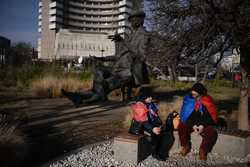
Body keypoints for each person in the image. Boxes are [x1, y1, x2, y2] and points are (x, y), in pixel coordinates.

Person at [61, 10, 150, 107]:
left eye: (133, 20)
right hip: (118, 69)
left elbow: (141, 56)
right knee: (99, 71)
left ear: (140, 20)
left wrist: (123, 42)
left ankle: (85, 98)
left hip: (128, 73)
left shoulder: (144, 35)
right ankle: (83, 96)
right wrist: (102, 58)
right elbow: (117, 56)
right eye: (131, 20)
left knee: (106, 84)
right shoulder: (130, 36)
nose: (131, 22)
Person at [129, 87, 175, 161]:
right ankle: (155, 153)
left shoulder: (150, 104)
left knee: (163, 130)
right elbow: (144, 122)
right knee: (156, 134)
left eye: (151, 96)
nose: (151, 98)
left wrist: (159, 124)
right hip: (140, 127)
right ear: (143, 97)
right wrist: (153, 129)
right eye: (148, 96)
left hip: (149, 123)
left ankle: (161, 150)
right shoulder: (139, 106)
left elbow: (155, 115)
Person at [178, 82, 218, 160]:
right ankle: (186, 146)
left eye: (195, 93)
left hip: (204, 124)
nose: (193, 94)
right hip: (191, 123)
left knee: (211, 132)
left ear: (200, 93)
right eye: (192, 92)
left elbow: (210, 117)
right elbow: (185, 115)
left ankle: (203, 150)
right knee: (181, 126)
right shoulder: (188, 99)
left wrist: (202, 125)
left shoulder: (207, 100)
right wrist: (193, 125)